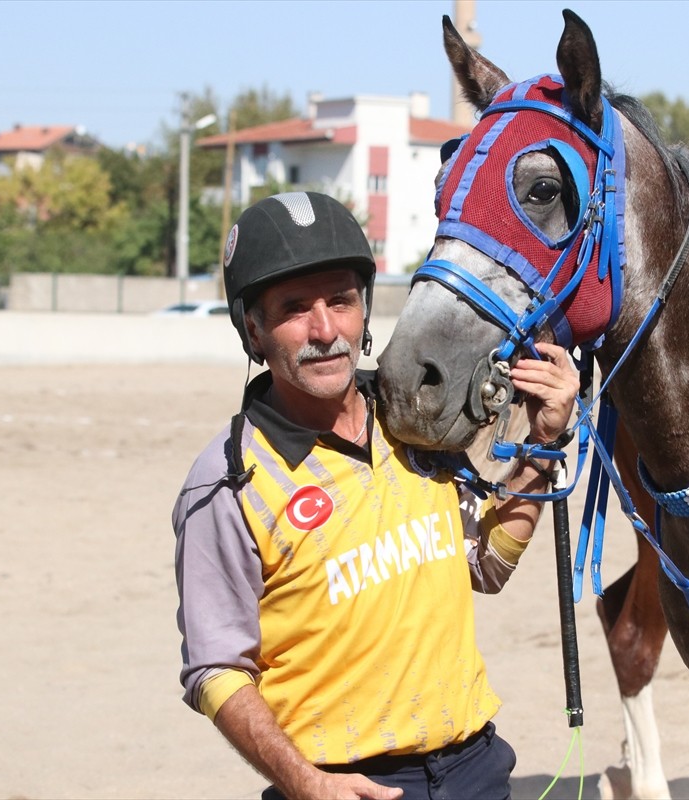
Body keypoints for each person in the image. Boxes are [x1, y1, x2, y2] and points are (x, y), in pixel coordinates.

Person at [172, 190, 579, 800]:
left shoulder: (415, 420)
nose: (325, 330)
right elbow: (216, 670)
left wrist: (542, 447)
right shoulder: (228, 483)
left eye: (340, 300)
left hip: (476, 770)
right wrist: (305, 783)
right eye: (293, 309)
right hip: (342, 788)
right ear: (252, 329)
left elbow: (484, 565)